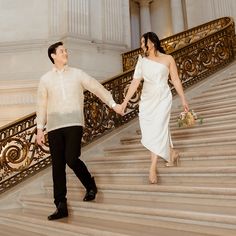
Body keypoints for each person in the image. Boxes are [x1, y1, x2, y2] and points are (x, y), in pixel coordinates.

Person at [36, 41, 122, 220]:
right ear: (53, 55)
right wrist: (39, 129)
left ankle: (90, 184)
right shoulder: (45, 79)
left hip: (74, 122)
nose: (66, 53)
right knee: (57, 167)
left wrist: (113, 104)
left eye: (66, 50)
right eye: (62, 51)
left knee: (71, 158)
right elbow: (41, 105)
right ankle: (60, 205)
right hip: (54, 126)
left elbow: (96, 87)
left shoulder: (77, 74)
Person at [120, 32, 189, 184]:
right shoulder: (142, 61)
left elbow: (175, 80)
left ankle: (152, 167)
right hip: (147, 100)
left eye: (142, 42)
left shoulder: (168, 59)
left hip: (163, 97)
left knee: (159, 127)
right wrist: (124, 102)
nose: (141, 45)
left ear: (151, 43)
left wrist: (184, 99)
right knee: (151, 130)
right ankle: (171, 153)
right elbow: (135, 83)